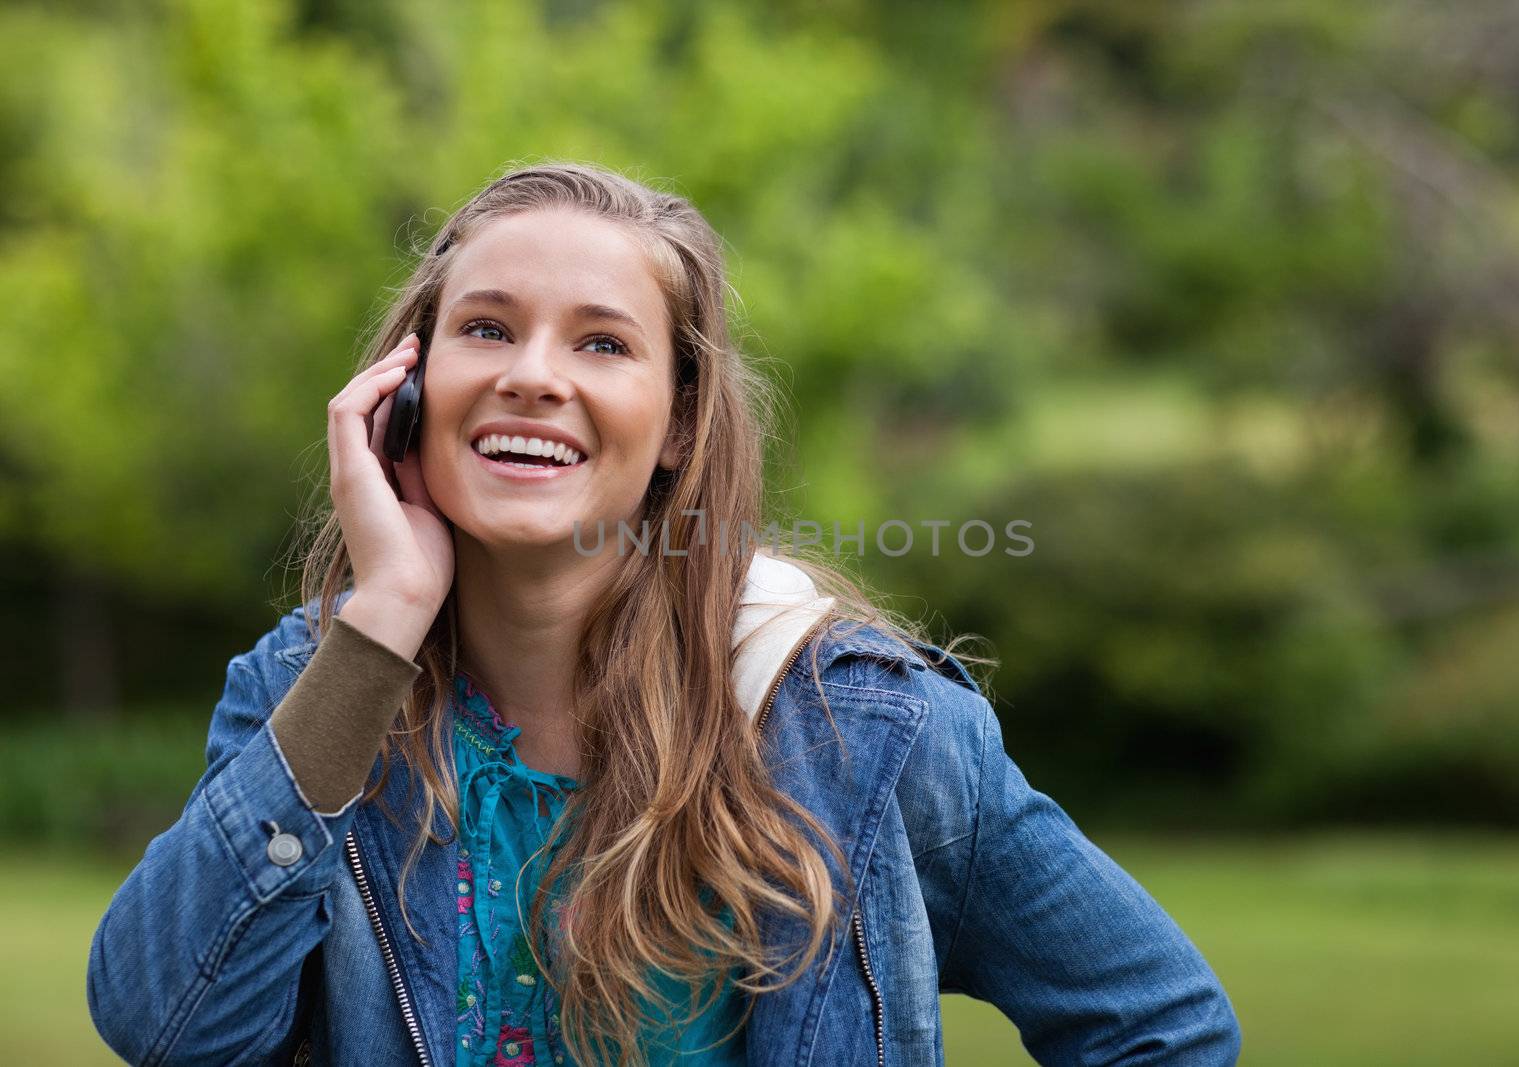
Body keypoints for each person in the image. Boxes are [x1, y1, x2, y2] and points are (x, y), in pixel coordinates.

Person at [86, 162, 1242, 1066]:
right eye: (486, 327)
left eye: (602, 341)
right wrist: (385, 613)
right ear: (405, 386)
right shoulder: (314, 688)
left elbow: (1161, 1026)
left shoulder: (861, 729)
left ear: (680, 422)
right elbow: (167, 1024)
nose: (535, 373)